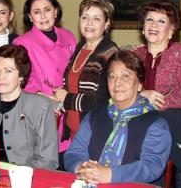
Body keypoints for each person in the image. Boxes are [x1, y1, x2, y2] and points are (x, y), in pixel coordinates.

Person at [64, 50, 171, 185]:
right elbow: (74, 153)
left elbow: (152, 165)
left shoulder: (155, 122)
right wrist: (81, 167)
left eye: (125, 76)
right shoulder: (94, 116)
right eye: (111, 77)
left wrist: (110, 174)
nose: (117, 83)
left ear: (139, 85)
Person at [0, 44, 59, 170]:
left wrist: (17, 175)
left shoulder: (40, 106)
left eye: (8, 71)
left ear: (21, 75)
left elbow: (48, 160)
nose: (1, 77)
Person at [12, 0, 76, 155]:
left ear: (55, 11)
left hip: (70, 108)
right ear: (30, 17)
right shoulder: (21, 42)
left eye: (47, 9)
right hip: (40, 109)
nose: (43, 16)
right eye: (37, 12)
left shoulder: (68, 36)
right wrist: (44, 96)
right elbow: (20, 80)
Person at [54, 0, 119, 152]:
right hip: (74, 136)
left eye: (96, 19)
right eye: (85, 17)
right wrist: (59, 100)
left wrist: (66, 98)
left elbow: (101, 101)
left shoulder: (111, 54)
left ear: (107, 23)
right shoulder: (80, 47)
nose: (89, 23)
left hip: (96, 136)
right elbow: (73, 86)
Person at [133, 0, 181, 143]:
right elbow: (122, 90)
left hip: (171, 129)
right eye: (149, 19)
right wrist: (141, 95)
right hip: (136, 126)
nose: (153, 25)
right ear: (143, 28)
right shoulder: (134, 55)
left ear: (171, 29)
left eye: (162, 21)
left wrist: (156, 102)